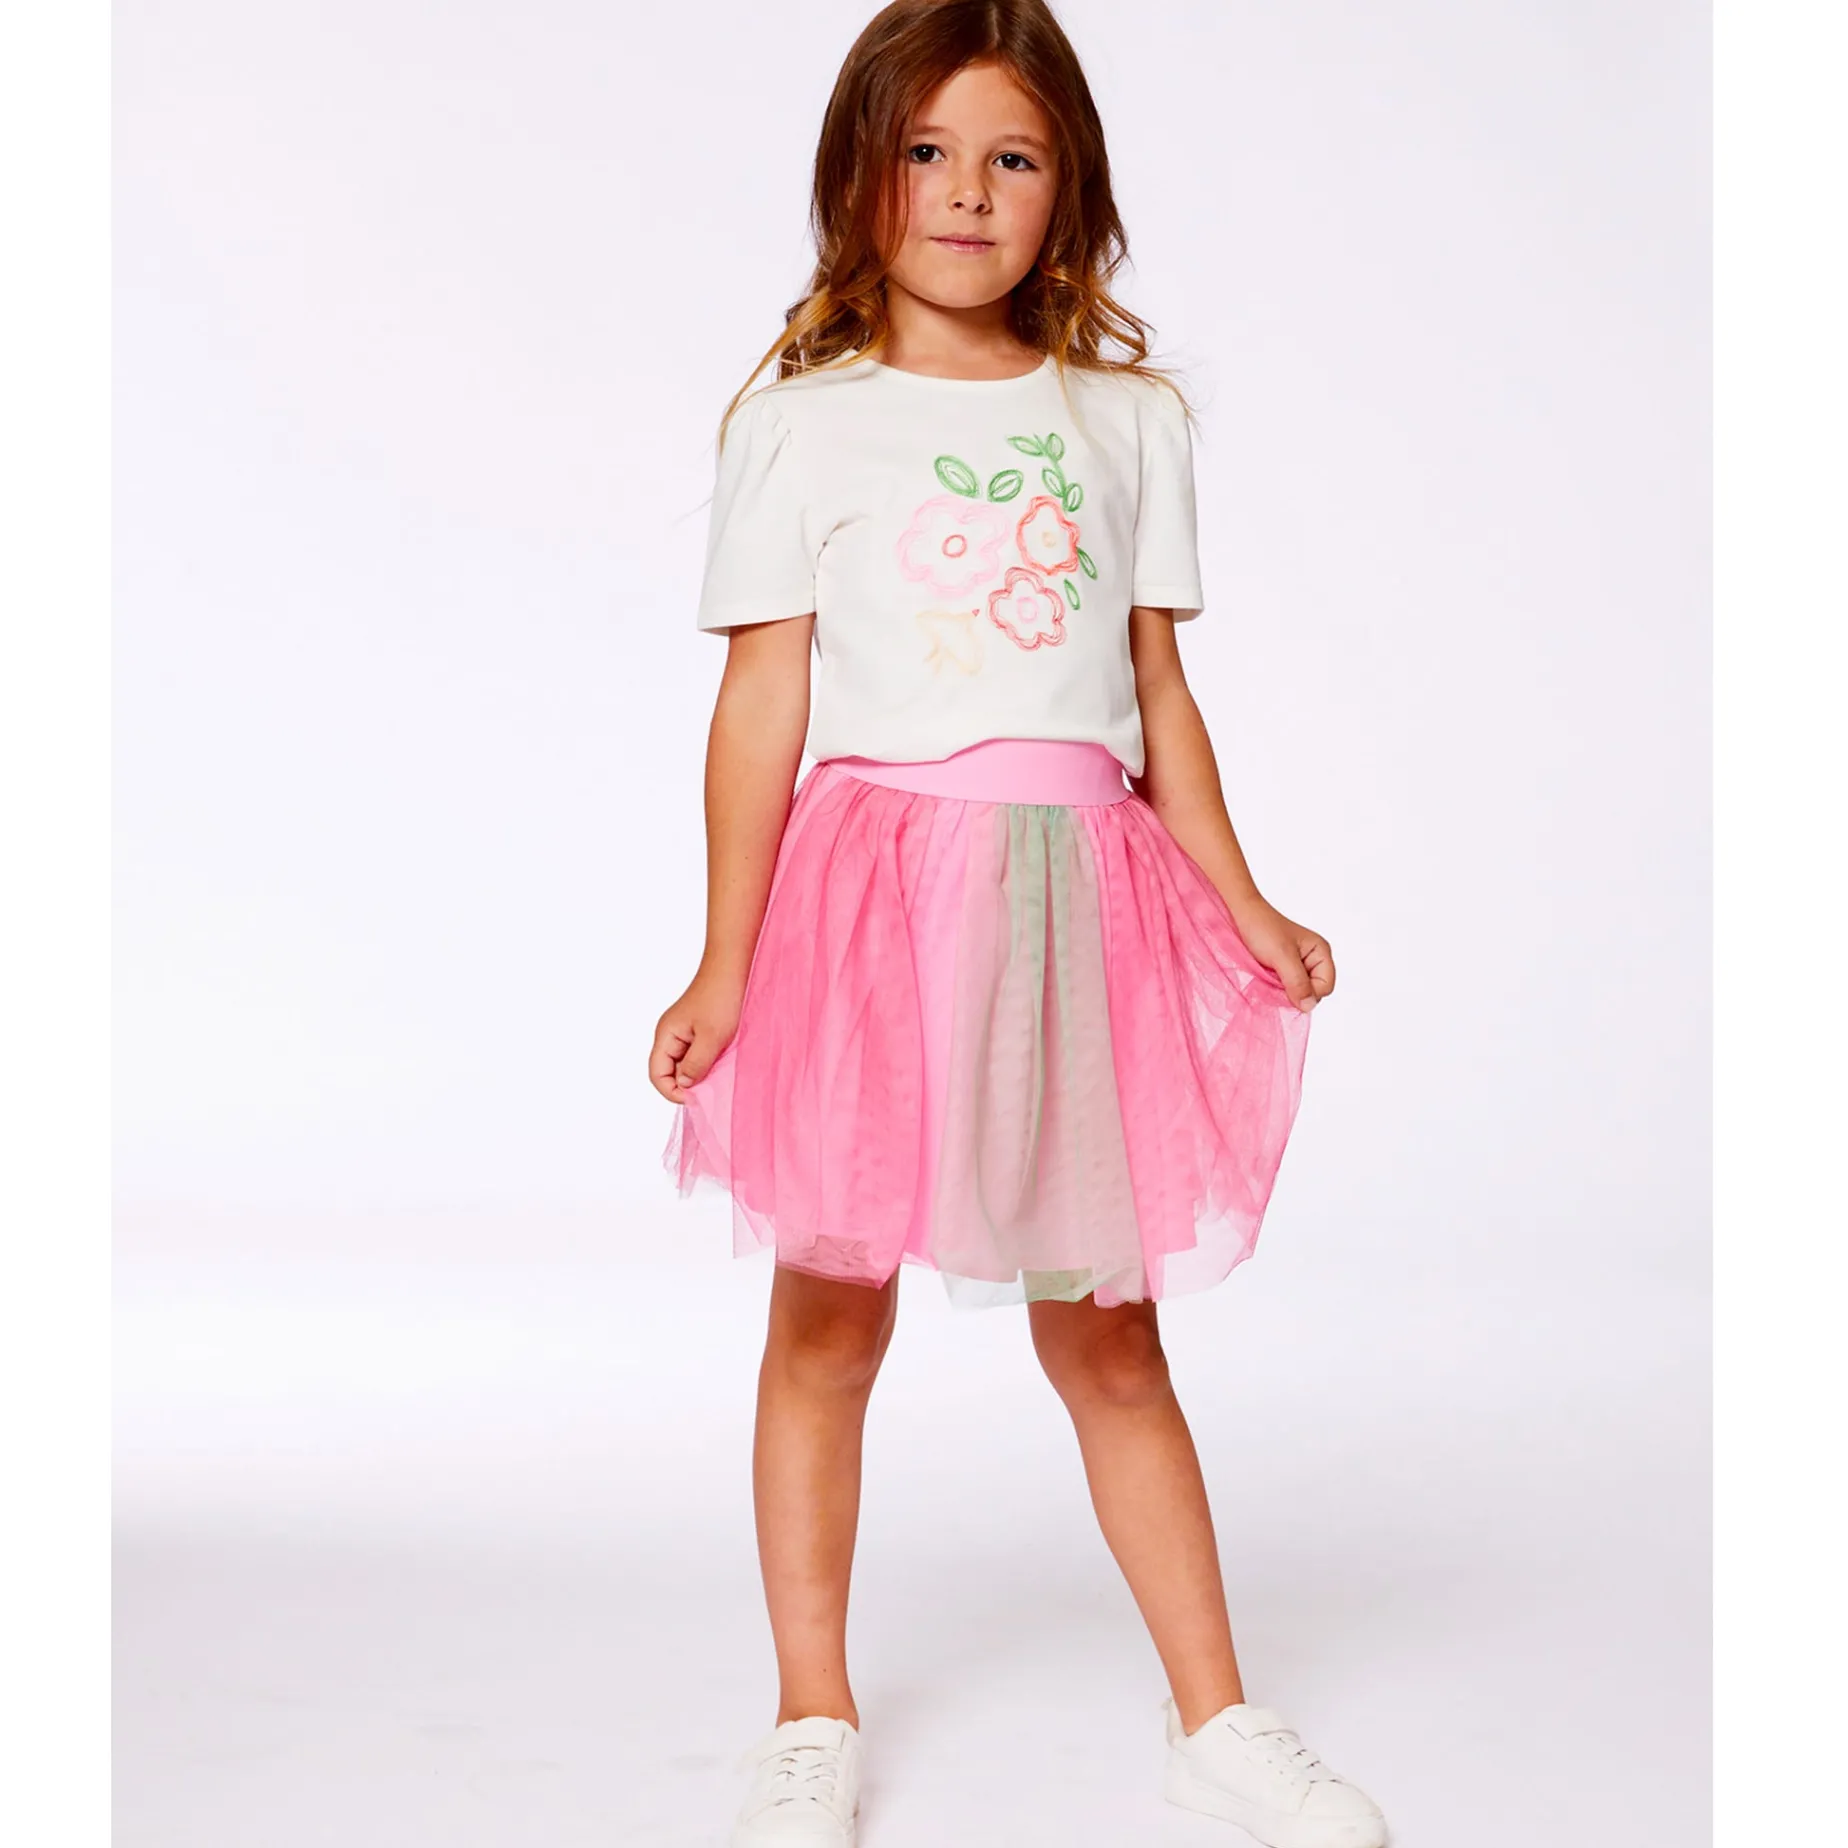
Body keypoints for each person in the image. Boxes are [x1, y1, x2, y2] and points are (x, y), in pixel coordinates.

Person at [649, 4, 1388, 1844]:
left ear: (1071, 194)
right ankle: (810, 1714)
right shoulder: (801, 427)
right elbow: (761, 705)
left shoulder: (1125, 421)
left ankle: (1216, 1717)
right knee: (831, 1321)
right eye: (927, 153)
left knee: (1111, 1337)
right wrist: (727, 955)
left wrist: (1245, 896)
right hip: (873, 914)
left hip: (1077, 909)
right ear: (861, 177)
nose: (967, 192)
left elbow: (1159, 700)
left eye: (1013, 158)